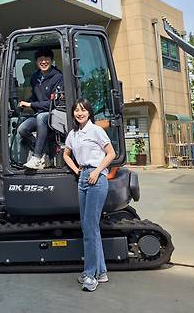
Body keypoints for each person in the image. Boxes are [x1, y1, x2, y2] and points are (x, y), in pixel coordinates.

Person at [62, 98, 116, 292]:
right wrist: (77, 170)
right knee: (89, 228)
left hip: (96, 178)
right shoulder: (73, 134)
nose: (80, 113)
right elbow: (66, 154)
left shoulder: (96, 130)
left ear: (89, 112)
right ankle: (101, 273)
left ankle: (90, 275)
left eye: (83, 110)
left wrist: (96, 171)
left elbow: (111, 154)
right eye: (76, 110)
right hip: (83, 177)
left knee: (90, 228)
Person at [16, 47, 63, 169]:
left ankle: (36, 157)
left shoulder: (58, 77)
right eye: (40, 59)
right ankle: (43, 154)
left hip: (55, 114)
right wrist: (24, 102)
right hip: (40, 114)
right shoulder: (35, 78)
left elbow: (53, 103)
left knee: (42, 117)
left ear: (51, 60)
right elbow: (36, 97)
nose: (43, 62)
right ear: (36, 62)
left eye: (46, 59)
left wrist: (30, 105)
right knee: (22, 128)